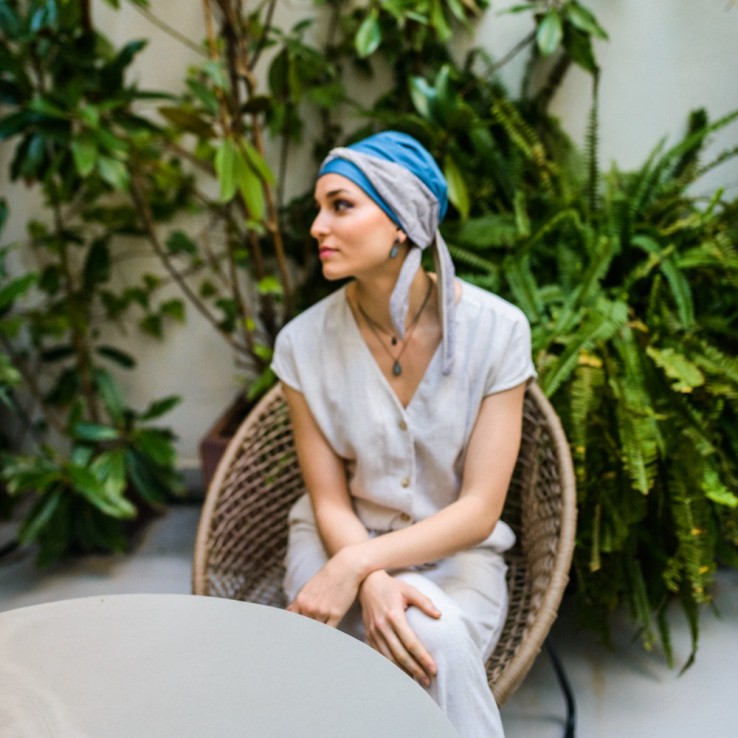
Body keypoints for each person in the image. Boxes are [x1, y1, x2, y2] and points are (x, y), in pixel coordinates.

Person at [270, 130, 536, 738]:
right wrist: (363, 574)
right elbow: (329, 500)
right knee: (365, 668)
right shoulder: (301, 344)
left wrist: (359, 568)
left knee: (431, 641)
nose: (316, 226)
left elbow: (479, 510)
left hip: (454, 555)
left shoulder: (498, 331)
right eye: (319, 208)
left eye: (340, 205)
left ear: (401, 222)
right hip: (333, 543)